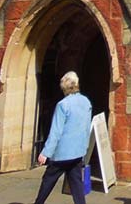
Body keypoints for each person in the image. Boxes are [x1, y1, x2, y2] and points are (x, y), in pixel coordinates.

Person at [33, 70, 93, 204]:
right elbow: (86, 127)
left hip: (62, 153)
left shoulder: (63, 105)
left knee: (48, 180)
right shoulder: (86, 102)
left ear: (64, 88)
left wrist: (45, 153)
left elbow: (56, 131)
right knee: (76, 183)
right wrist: (84, 147)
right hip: (77, 151)